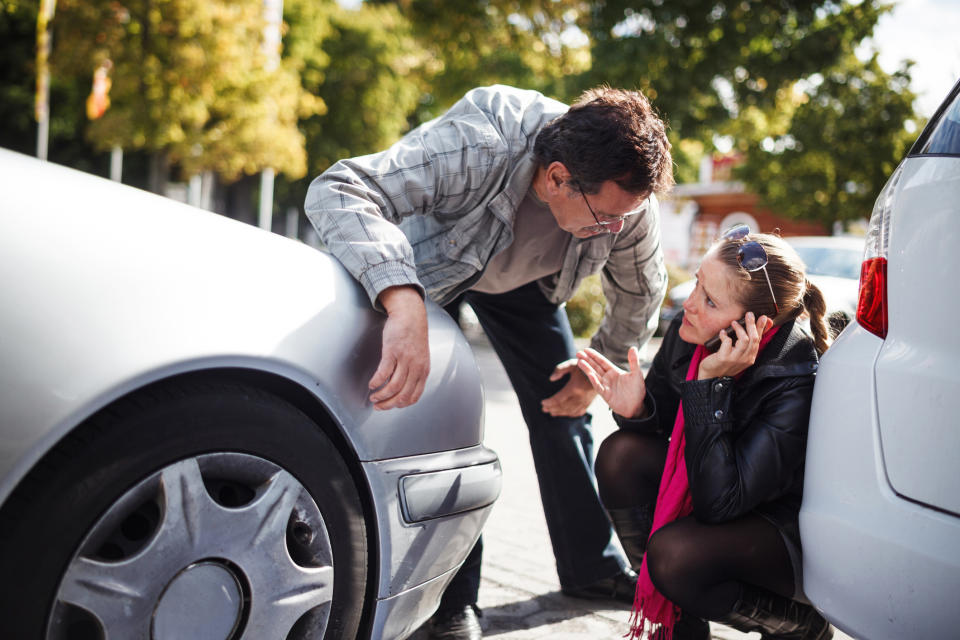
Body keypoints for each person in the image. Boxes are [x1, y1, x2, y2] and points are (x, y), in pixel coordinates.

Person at [304, 84, 673, 639]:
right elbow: (341, 187)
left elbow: (642, 290)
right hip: (434, 269)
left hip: (527, 286)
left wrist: (594, 372)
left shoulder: (624, 204)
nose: (616, 229)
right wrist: (401, 300)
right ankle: (451, 605)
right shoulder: (481, 141)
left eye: (626, 217)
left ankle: (591, 569)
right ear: (555, 178)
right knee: (445, 426)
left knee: (564, 412)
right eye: (605, 217)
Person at [577, 226, 834, 640]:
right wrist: (639, 409)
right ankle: (678, 624)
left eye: (710, 300)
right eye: (697, 282)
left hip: (782, 530)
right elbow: (667, 427)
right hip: (724, 489)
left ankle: (798, 625)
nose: (689, 305)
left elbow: (721, 501)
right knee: (620, 453)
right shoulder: (693, 333)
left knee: (675, 557)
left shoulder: (793, 376)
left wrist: (709, 386)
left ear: (755, 323)